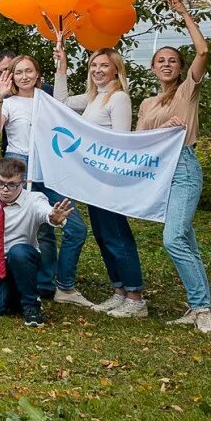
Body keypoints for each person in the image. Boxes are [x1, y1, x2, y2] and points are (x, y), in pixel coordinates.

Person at [137, 0, 211, 334]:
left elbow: (203, 50)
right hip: (159, 174)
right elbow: (138, 142)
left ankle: (202, 310)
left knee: (173, 239)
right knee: (186, 241)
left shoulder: (188, 91)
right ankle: (199, 304)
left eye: (173, 60)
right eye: (161, 61)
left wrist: (183, 12)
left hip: (183, 167)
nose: (167, 64)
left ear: (181, 68)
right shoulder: (147, 104)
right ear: (153, 69)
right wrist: (160, 131)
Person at [0, 55, 95, 308]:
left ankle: (64, 285)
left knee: (75, 228)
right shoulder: (10, 103)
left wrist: (62, 60)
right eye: (18, 72)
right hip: (19, 164)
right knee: (37, 228)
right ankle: (38, 284)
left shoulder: (50, 102)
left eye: (29, 71)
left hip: (51, 165)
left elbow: (75, 111)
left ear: (38, 74)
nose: (24, 76)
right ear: (11, 76)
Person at [54, 44, 145, 318]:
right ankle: (119, 292)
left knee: (118, 237)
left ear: (116, 69)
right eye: (94, 65)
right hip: (93, 182)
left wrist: (110, 180)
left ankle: (136, 297)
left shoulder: (118, 99)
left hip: (110, 182)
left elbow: (120, 142)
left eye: (104, 65)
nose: (97, 70)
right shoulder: (95, 98)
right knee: (104, 236)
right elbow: (62, 102)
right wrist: (61, 67)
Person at [0, 158, 75, 327]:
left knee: (18, 252)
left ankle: (31, 307)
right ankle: (15, 293)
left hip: (23, 259)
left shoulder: (34, 199)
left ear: (23, 181)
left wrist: (54, 218)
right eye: (0, 183)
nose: (5, 190)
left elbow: (47, 213)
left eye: (12, 184)